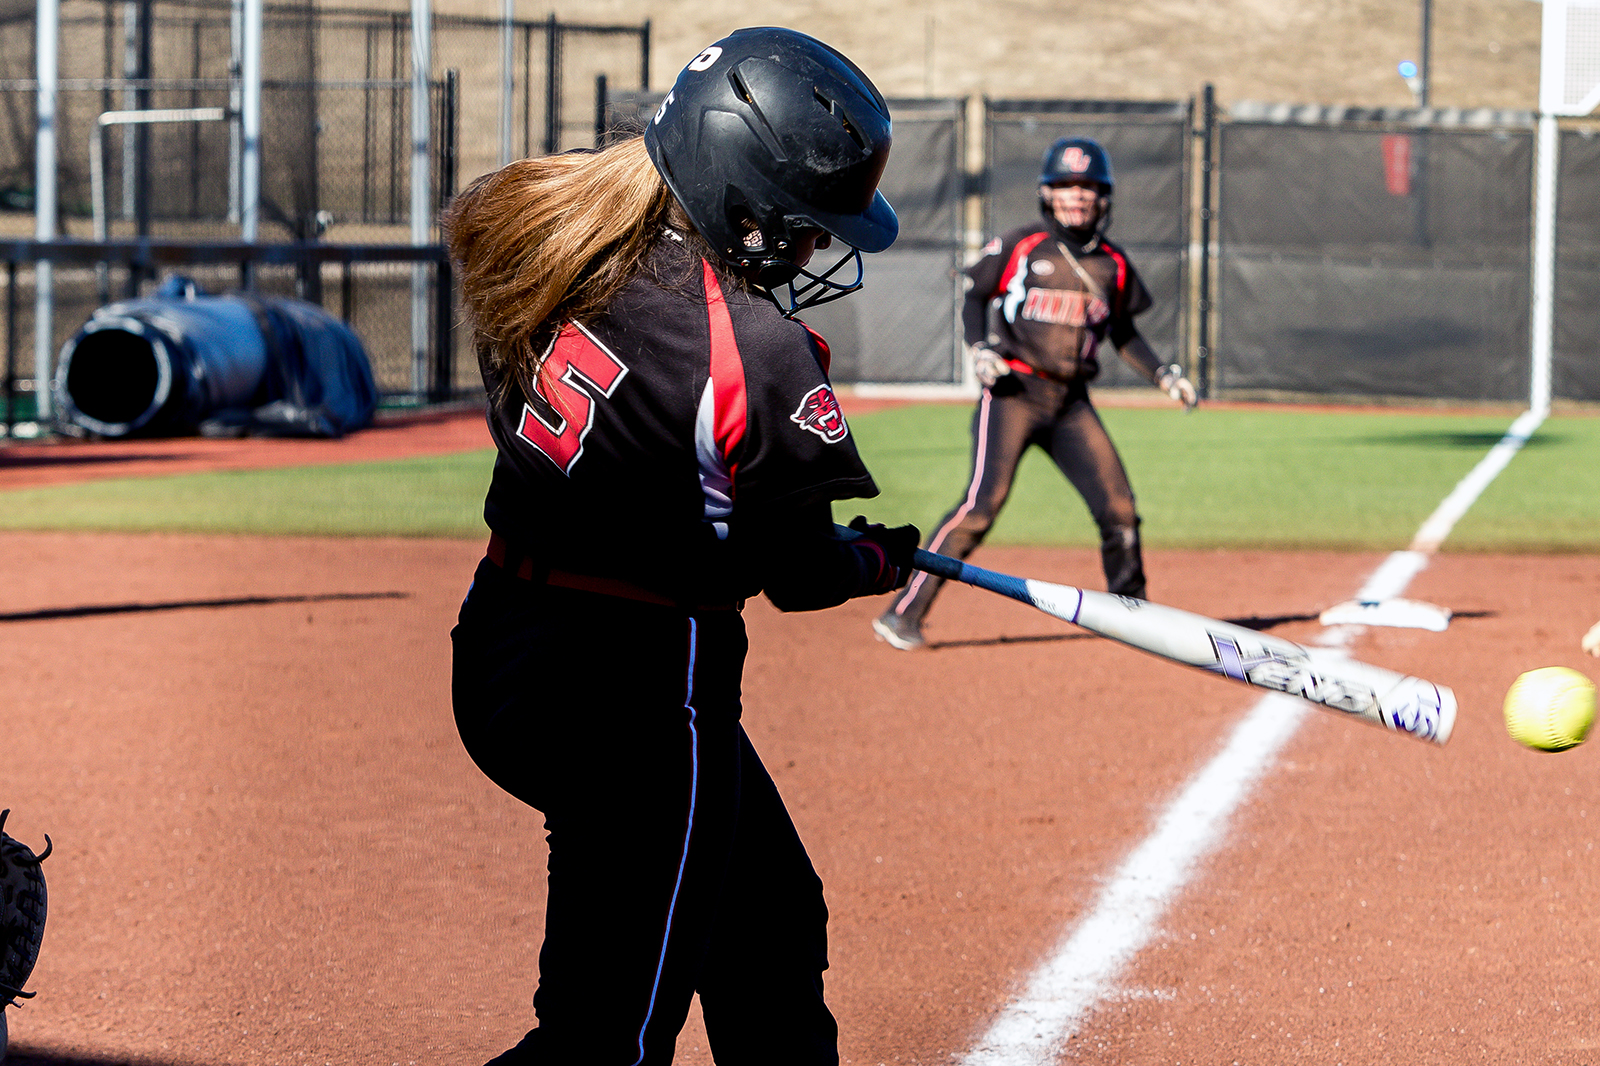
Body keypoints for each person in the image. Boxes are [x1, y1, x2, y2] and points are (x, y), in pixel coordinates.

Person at [443, 27, 919, 1066]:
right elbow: (795, 577)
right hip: (643, 689)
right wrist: (880, 560)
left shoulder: (570, 240)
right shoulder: (757, 345)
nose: (807, 250)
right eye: (798, 227)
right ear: (736, 199)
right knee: (607, 1038)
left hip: (509, 649)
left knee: (767, 916)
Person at [872, 136, 1198, 652]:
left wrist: (1163, 374)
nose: (1076, 196)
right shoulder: (1022, 245)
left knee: (1119, 508)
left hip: (1070, 403)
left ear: (1104, 197)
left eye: (1087, 186)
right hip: (1013, 394)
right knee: (981, 506)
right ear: (1047, 193)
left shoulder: (1112, 262)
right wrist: (980, 349)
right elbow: (975, 295)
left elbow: (1123, 332)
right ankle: (904, 612)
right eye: (1065, 185)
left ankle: (1133, 615)